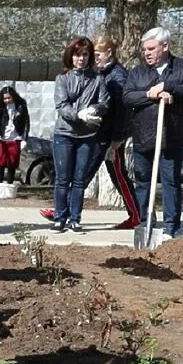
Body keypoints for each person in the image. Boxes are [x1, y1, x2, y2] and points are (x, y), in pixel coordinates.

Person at [39, 36, 139, 229]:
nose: (90, 58)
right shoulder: (93, 74)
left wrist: (117, 138)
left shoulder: (116, 76)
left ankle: (136, 215)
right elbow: (63, 104)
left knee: (115, 174)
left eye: (94, 54)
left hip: (107, 135)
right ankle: (64, 211)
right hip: (91, 132)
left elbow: (121, 110)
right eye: (81, 55)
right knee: (78, 176)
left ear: (109, 53)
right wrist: (82, 114)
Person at [122, 27, 183, 239]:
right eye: (145, 49)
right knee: (143, 182)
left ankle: (171, 227)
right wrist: (152, 94)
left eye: (151, 48)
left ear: (165, 46)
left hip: (170, 137)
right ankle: (146, 222)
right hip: (143, 137)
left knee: (171, 183)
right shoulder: (138, 72)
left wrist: (167, 85)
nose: (147, 53)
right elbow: (128, 97)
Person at [50, 36, 109, 233]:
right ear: (70, 56)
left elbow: (104, 103)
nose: (81, 59)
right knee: (62, 179)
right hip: (64, 134)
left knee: (79, 180)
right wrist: (78, 115)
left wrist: (94, 110)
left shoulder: (98, 79)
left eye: (85, 55)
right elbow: (61, 105)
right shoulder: (63, 79)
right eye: (77, 55)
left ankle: (75, 218)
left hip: (87, 136)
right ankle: (59, 217)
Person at [0, 86, 30, 186]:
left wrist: (25, 139)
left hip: (15, 138)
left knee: (12, 163)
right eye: (5, 98)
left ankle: (9, 185)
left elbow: (27, 122)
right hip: (3, 138)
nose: (7, 100)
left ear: (13, 97)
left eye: (9, 98)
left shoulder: (21, 106)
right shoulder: (1, 107)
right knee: (0, 163)